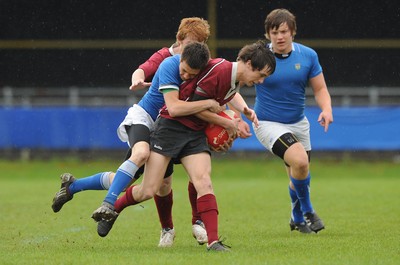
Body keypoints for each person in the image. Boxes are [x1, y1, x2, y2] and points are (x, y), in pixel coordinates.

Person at [93, 40, 276, 252]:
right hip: (170, 128)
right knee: (148, 190)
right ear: (249, 63)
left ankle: (214, 242)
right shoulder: (220, 71)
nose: (261, 81)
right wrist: (226, 122)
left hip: (194, 134)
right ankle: (113, 208)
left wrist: (238, 118)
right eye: (261, 74)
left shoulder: (234, 80)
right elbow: (191, 108)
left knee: (204, 182)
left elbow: (222, 103)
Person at [51, 17, 220, 246]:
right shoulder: (165, 58)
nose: (194, 47)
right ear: (179, 39)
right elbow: (142, 69)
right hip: (145, 118)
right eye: (192, 42)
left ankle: (74, 186)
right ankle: (112, 206)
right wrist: (138, 79)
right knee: (140, 157)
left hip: (169, 128)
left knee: (157, 184)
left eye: (200, 43)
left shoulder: (197, 62)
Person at [253, 9, 333, 233]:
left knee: (299, 173)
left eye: (284, 31)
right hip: (267, 123)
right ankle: (308, 211)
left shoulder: (308, 55)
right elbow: (233, 81)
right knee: (300, 161)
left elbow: (320, 88)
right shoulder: (257, 56)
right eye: (274, 32)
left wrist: (326, 109)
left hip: (298, 123)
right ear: (268, 34)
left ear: (293, 32)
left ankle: (296, 218)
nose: (279, 36)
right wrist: (232, 113)